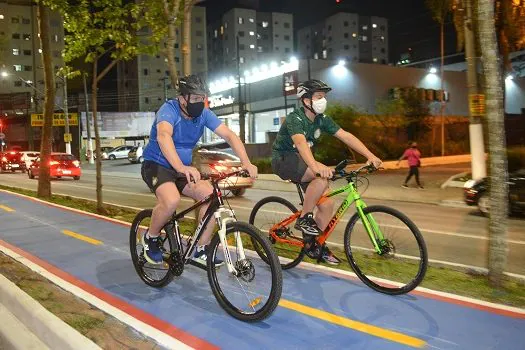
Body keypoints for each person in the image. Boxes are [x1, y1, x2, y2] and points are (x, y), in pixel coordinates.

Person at [140, 75, 258, 265]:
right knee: (171, 201)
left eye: (202, 98)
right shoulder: (169, 110)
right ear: (182, 97)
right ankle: (150, 237)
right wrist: (179, 167)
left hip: (183, 168)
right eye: (195, 98)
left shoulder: (203, 114)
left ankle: (200, 249)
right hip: (157, 165)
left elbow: (229, 135)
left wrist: (246, 162)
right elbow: (163, 136)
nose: (199, 103)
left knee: (212, 197)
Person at [271, 79, 382, 265]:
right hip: (284, 160)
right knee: (320, 178)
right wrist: (316, 168)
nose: (324, 100)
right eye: (319, 97)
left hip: (303, 162)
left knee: (327, 205)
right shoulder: (295, 118)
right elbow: (299, 143)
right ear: (307, 101)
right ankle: (305, 218)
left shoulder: (322, 119)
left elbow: (345, 135)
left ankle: (313, 244)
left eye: (324, 97)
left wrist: (370, 155)